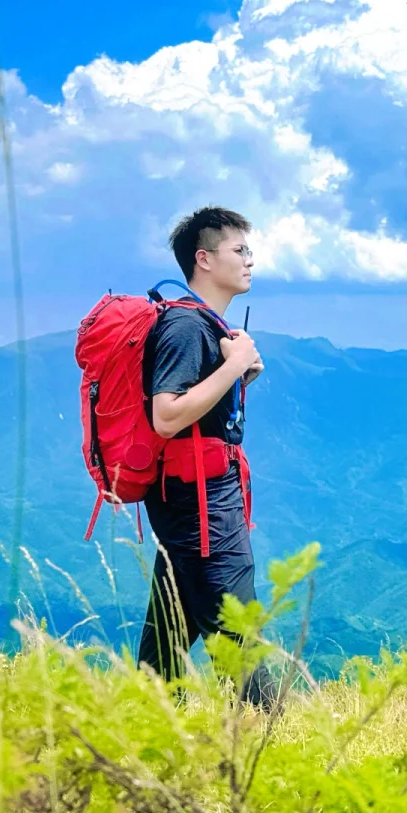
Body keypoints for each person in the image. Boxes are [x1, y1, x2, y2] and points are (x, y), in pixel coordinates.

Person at [137, 206, 278, 706]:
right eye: (239, 250)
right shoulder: (184, 326)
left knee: (164, 648)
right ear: (204, 259)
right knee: (240, 641)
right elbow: (166, 416)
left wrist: (239, 376)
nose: (250, 260)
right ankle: (268, 735)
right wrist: (233, 366)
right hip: (202, 507)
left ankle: (148, 730)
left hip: (192, 499)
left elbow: (195, 418)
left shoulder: (202, 323)